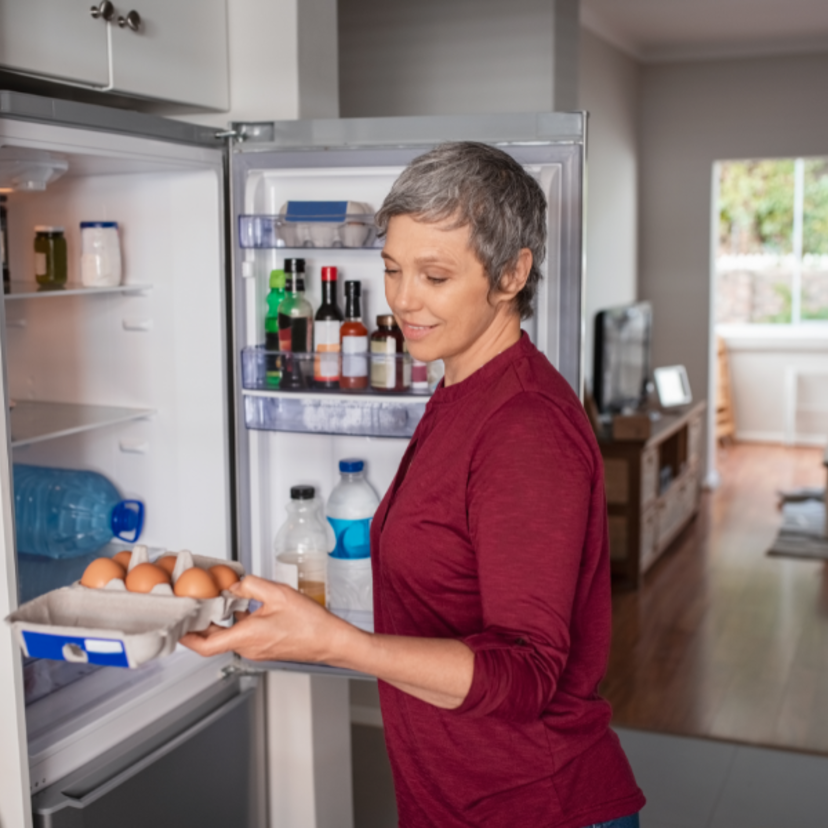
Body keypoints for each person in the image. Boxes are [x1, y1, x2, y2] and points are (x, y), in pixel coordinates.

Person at [181, 141, 645, 828]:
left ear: (513, 273)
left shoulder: (525, 429)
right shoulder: (462, 387)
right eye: (393, 269)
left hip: (534, 805)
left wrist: (335, 642)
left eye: (434, 276)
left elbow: (528, 672)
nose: (402, 299)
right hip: (456, 796)